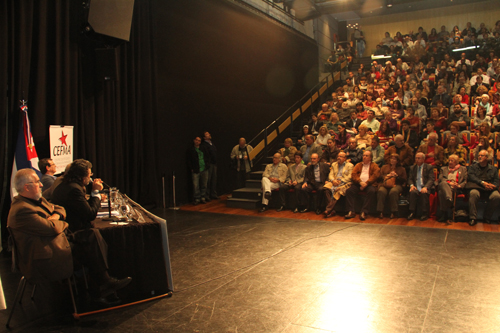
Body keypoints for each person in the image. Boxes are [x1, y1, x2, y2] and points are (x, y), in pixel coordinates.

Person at [9, 168, 132, 303]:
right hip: (47, 257)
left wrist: (55, 217)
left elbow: (60, 209)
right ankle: (102, 285)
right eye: (37, 182)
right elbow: (52, 228)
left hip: (56, 241)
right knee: (92, 246)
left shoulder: (35, 199)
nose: (41, 185)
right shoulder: (22, 210)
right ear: (27, 187)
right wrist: (61, 222)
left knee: (93, 235)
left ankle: (103, 283)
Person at [344, 150, 380, 220]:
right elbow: (353, 175)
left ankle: (364, 211)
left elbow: (375, 175)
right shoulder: (358, 165)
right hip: (358, 183)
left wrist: (366, 183)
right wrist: (360, 182)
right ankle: (351, 211)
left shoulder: (374, 165)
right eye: (363, 155)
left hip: (370, 184)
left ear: (370, 158)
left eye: (366, 156)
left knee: (372, 191)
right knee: (349, 191)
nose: (364, 157)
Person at [468, 150, 500, 226]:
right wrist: (482, 183)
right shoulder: (473, 167)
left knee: (496, 196)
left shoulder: (493, 169)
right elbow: (472, 177)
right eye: (479, 155)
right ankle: (473, 218)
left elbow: (496, 181)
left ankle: (487, 217)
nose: (479, 157)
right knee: (473, 193)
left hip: (489, 188)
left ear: (487, 157)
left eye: (482, 155)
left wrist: (492, 186)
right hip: (477, 187)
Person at [437, 155, 467, 223]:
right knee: (443, 184)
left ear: (456, 162)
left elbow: (465, 181)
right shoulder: (443, 169)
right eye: (449, 160)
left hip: (456, 188)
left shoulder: (463, 169)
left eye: (452, 161)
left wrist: (459, 186)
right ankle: (449, 200)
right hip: (446, 186)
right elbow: (441, 179)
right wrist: (449, 183)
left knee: (441, 192)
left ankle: (444, 214)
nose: (450, 162)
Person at [323, 152, 353, 218]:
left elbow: (350, 177)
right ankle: (332, 209)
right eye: (338, 156)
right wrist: (333, 180)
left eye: (341, 156)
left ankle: (328, 209)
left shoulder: (350, 165)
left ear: (345, 158)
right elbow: (330, 174)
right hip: (334, 181)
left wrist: (341, 181)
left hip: (344, 182)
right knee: (326, 189)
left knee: (338, 190)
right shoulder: (334, 164)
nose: (338, 158)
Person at [377, 154, 407, 219]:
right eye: (391, 159)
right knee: (381, 191)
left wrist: (397, 176)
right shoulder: (384, 167)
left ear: (397, 161)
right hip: (385, 184)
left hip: (397, 184)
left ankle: (393, 212)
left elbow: (404, 180)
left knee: (393, 192)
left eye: (394, 159)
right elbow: (379, 177)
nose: (392, 160)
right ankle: (380, 211)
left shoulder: (402, 169)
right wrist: (387, 176)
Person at [407, 152, 435, 221]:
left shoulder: (429, 167)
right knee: (412, 192)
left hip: (424, 186)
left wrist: (426, 187)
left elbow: (431, 179)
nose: (417, 160)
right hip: (416, 186)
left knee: (424, 193)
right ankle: (412, 212)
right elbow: (410, 178)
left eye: (419, 158)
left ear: (423, 159)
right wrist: (412, 185)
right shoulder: (412, 168)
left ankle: (424, 213)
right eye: (416, 158)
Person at [189, 137, 210, 204]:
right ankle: (197, 198)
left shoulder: (203, 149)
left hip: (204, 168)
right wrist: (191, 168)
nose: (197, 142)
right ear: (194, 140)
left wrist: (207, 165)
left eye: (199, 141)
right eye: (196, 140)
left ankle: (203, 197)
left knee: (204, 184)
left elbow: (207, 156)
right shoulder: (191, 150)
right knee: (196, 185)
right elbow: (189, 160)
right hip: (196, 169)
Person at [202, 131, 218, 200]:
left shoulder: (212, 144)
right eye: (207, 134)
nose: (209, 135)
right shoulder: (204, 145)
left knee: (214, 180)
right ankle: (207, 195)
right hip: (209, 164)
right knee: (208, 180)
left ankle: (213, 194)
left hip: (214, 164)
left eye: (209, 133)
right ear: (204, 137)